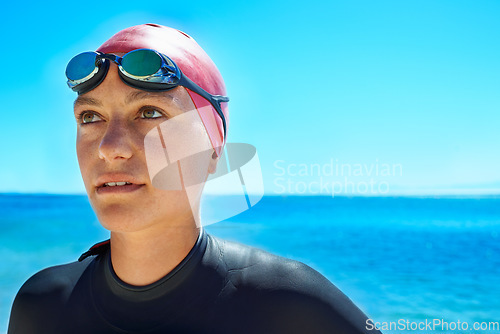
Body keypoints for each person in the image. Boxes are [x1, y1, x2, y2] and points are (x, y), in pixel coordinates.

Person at [7, 23, 381, 334]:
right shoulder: (41, 307)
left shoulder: (292, 307)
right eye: (90, 117)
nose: (110, 147)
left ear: (213, 151)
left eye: (149, 112)